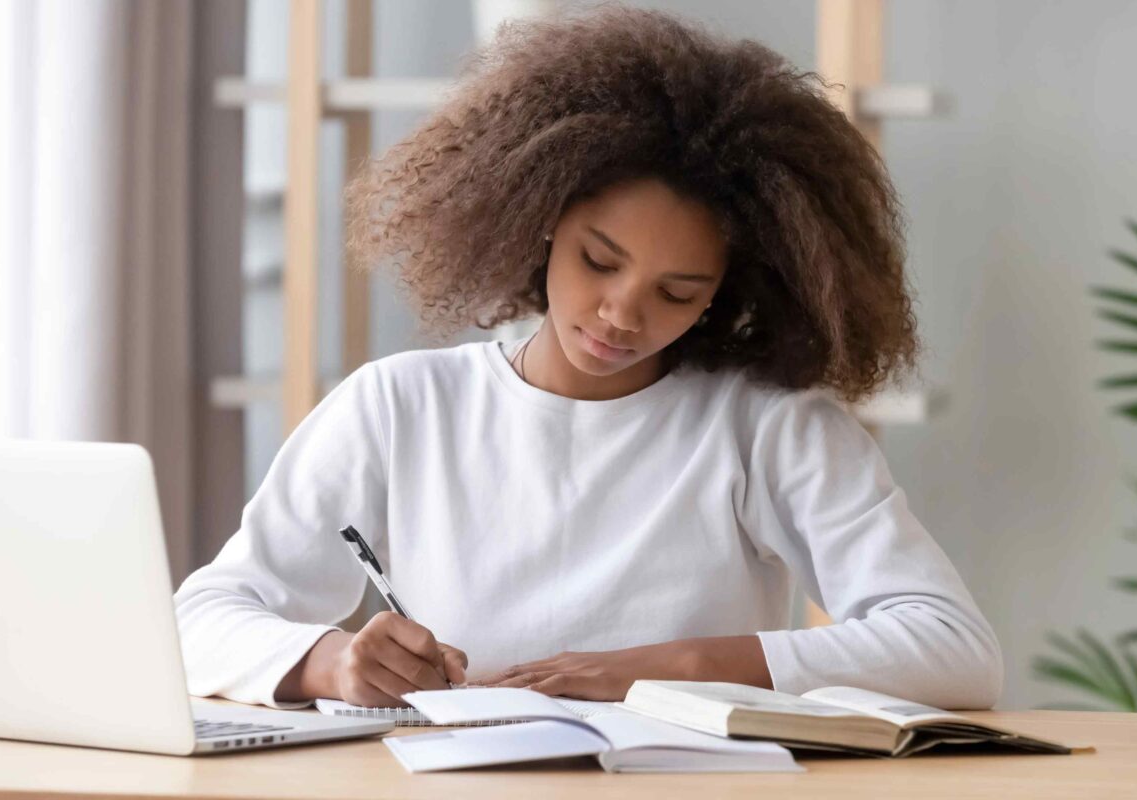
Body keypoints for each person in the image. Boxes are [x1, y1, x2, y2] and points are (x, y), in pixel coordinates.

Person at [173, 4, 1002, 712]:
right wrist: (335, 663)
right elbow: (199, 619)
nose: (621, 314)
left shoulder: (766, 426)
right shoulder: (400, 406)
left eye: (677, 292)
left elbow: (955, 647)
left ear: (728, 290)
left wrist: (678, 668)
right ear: (539, 220)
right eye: (598, 261)